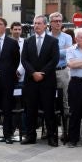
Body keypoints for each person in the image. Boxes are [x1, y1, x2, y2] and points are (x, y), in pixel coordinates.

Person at [21, 15, 60, 146]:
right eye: (35, 23)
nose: (36, 26)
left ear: (45, 25)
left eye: (39, 23)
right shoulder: (28, 41)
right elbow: (24, 60)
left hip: (47, 81)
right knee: (30, 109)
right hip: (31, 81)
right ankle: (30, 135)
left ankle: (51, 136)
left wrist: (42, 73)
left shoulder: (53, 41)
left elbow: (54, 60)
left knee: (49, 110)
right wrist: (33, 73)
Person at [48, 12, 73, 119]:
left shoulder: (67, 37)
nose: (58, 23)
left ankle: (66, 132)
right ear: (50, 23)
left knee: (65, 100)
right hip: (49, 71)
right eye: (55, 21)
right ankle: (48, 131)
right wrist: (60, 51)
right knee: (48, 99)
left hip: (63, 71)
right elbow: (43, 54)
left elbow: (68, 52)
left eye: (60, 21)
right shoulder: (45, 36)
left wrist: (52, 52)